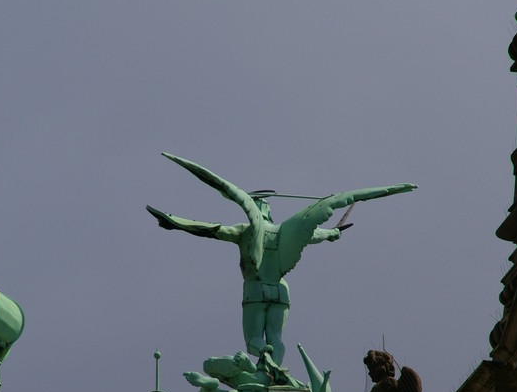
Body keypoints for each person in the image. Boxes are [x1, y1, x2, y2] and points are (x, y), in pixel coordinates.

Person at [148, 153, 416, 364]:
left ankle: (265, 367)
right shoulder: (287, 231)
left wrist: (175, 223)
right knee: (276, 337)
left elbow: (211, 229)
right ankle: (276, 369)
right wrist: (334, 233)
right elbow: (317, 234)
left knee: (253, 342)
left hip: (255, 288)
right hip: (280, 290)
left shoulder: (246, 232)